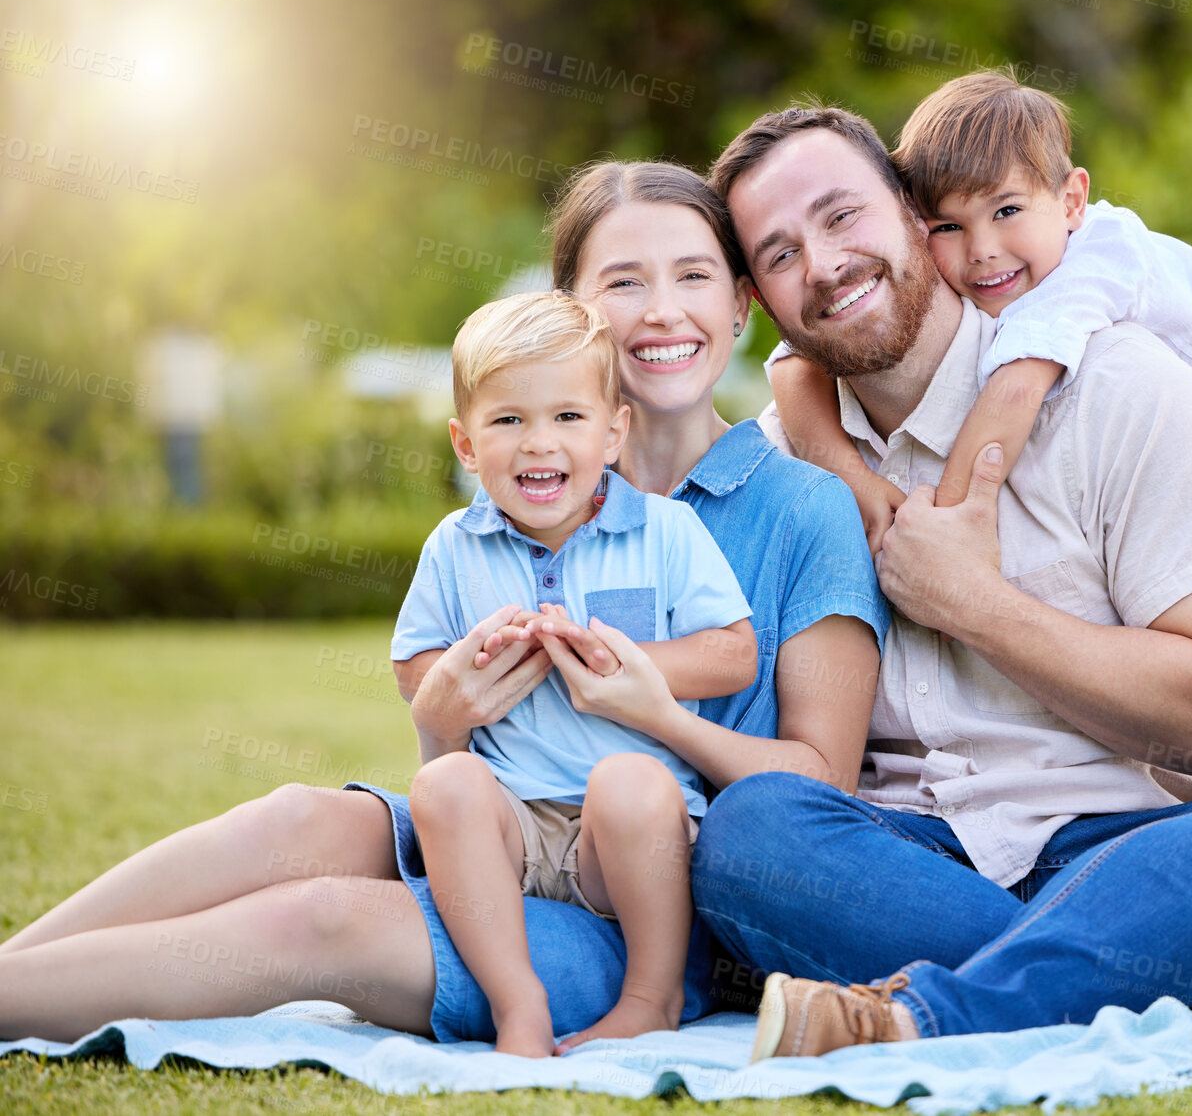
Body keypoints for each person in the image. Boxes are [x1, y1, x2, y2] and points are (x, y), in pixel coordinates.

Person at [0, 160, 889, 1049]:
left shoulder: (803, 504)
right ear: (567, 307)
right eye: (623, 281)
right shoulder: (520, 491)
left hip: (647, 899)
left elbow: (819, 800)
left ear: (740, 305)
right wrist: (443, 718)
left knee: (319, 917)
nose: (660, 310)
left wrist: (648, 693)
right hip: (503, 826)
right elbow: (450, 743)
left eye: (692, 275)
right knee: (294, 819)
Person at [692, 101, 1192, 1059]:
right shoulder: (779, 469)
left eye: (843, 217)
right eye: (782, 252)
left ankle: (934, 1016)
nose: (828, 263)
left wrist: (979, 608)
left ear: (913, 211)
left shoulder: (1121, 386)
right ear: (758, 295)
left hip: (1135, 853)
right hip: (905, 863)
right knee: (751, 833)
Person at [767, 69, 1192, 756]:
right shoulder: (981, 274)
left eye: (1006, 212)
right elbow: (795, 363)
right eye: (949, 225)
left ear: (1072, 199)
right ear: (916, 225)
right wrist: (850, 474)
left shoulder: (1090, 268)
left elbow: (1010, 401)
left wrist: (939, 540)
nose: (982, 249)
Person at [397, 290, 758, 1055]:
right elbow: (417, 667)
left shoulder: (665, 529)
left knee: (629, 781)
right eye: (508, 420)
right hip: (513, 824)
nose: (538, 444)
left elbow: (733, 651)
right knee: (441, 783)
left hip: (624, 840)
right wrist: (465, 673)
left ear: (614, 431)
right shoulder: (455, 546)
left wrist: (622, 662)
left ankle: (650, 995)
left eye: (567, 417)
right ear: (465, 444)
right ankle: (516, 999)